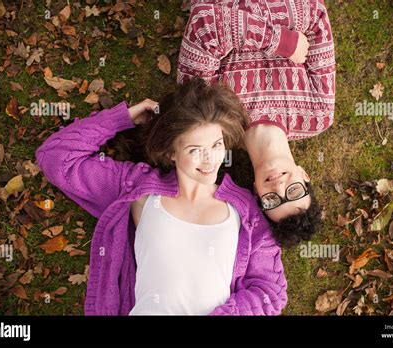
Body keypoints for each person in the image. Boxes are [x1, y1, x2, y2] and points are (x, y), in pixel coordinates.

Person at [35, 78, 288, 315]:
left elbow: (270, 292)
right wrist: (121, 118)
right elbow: (56, 157)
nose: (210, 159)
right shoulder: (139, 190)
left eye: (216, 145)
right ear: (171, 153)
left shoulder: (244, 210)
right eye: (194, 150)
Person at [177, 0, 336, 247]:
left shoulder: (210, 123)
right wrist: (232, 22)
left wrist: (285, 42)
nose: (279, 185)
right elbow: (315, 14)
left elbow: (203, 25)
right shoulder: (318, 114)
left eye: (272, 200)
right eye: (293, 192)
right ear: (304, 175)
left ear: (256, 192)